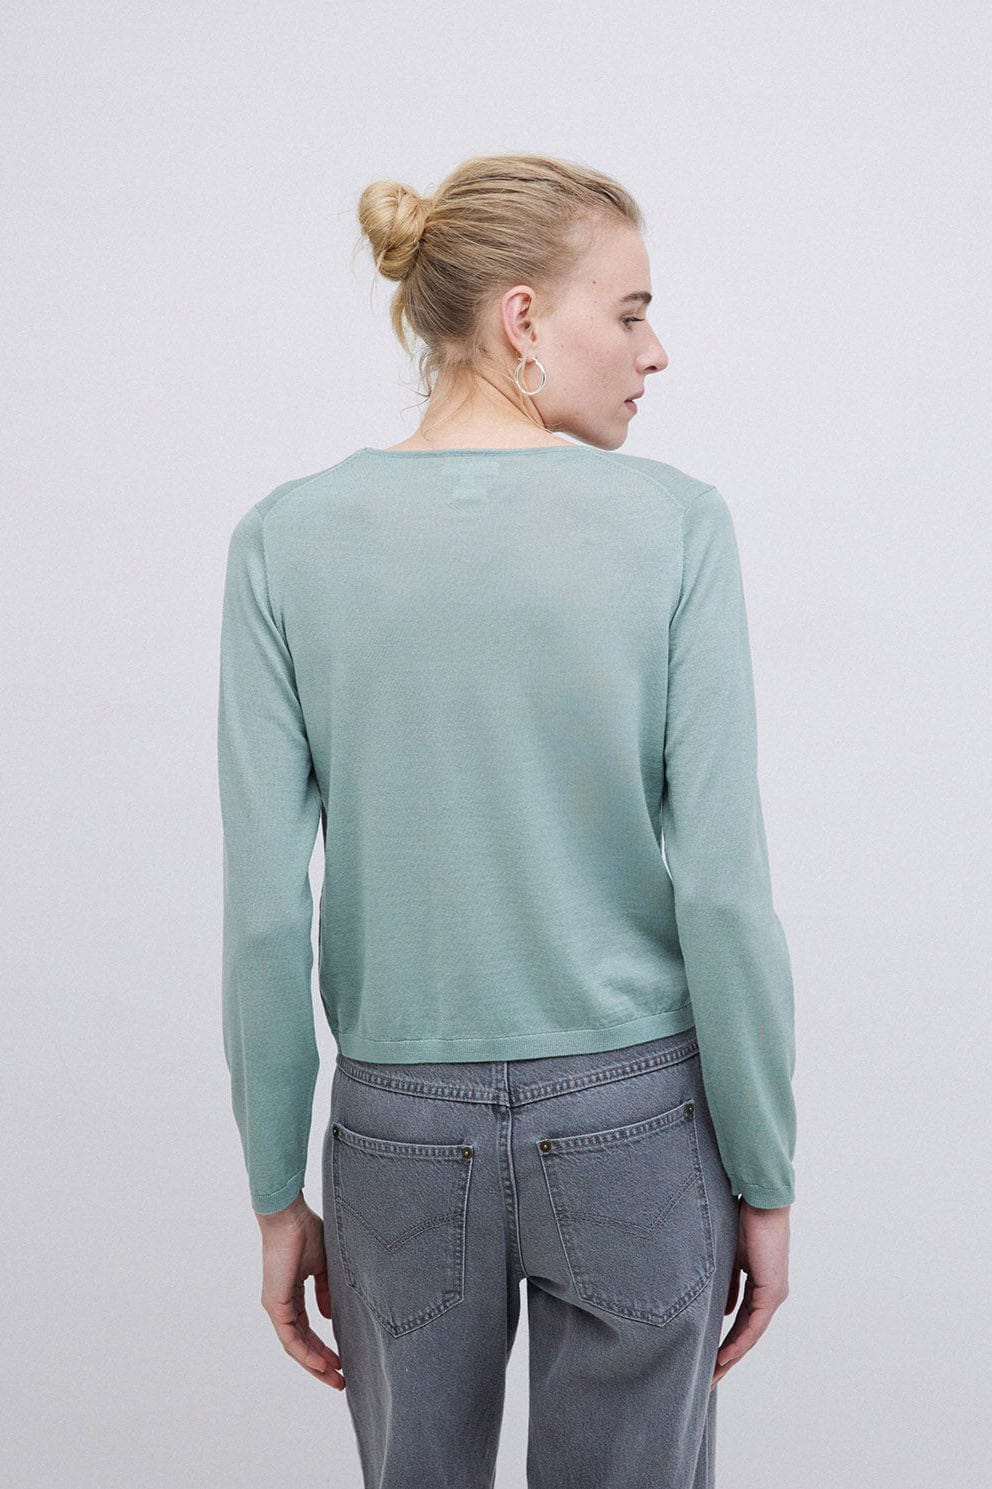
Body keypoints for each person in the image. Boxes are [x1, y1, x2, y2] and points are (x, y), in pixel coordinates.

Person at [217, 152, 796, 1488]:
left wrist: (273, 1189)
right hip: (636, 1123)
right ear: (524, 317)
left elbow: (263, 918)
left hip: (399, 1135)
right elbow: (721, 891)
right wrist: (764, 1173)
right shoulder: (676, 528)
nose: (655, 351)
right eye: (631, 312)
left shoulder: (284, 540)